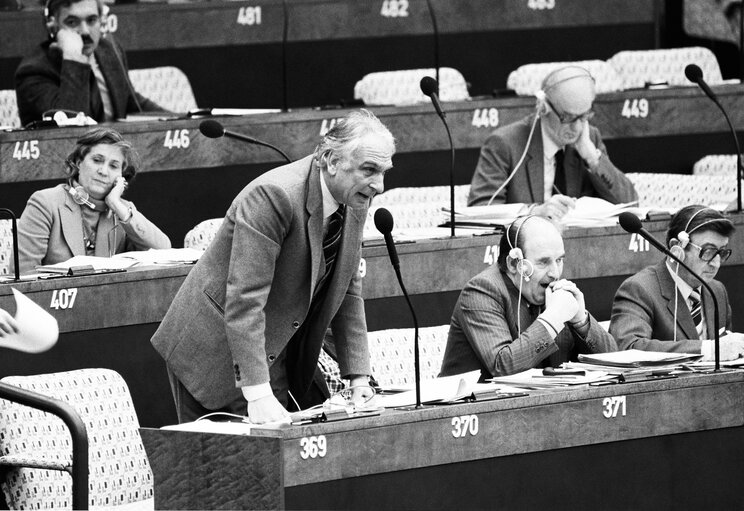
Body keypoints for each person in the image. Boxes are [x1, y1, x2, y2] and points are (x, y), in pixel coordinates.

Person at [151, 109, 396, 424]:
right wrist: (257, 393)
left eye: (385, 171)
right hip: (215, 349)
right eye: (370, 170)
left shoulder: (354, 199)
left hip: (276, 342)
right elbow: (244, 298)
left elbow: (346, 289)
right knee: (223, 465)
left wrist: (358, 376)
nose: (380, 185)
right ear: (333, 162)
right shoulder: (274, 196)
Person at [440, 215, 616, 379]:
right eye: (543, 262)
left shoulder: (554, 293)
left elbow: (615, 361)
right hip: (476, 408)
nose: (555, 273)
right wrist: (553, 318)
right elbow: (503, 366)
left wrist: (581, 321)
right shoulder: (481, 291)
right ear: (514, 263)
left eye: (559, 260)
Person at [467, 65, 638, 219]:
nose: (578, 127)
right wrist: (533, 213)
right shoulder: (504, 143)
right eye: (569, 118)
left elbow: (631, 205)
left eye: (585, 116)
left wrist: (594, 160)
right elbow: (479, 211)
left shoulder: (589, 138)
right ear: (543, 108)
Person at [14, 127, 171, 274]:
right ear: (78, 163)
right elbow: (23, 274)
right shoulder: (45, 203)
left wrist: (116, 204)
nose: (103, 171)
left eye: (113, 166)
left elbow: (164, 251)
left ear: (121, 177)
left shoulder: (123, 211)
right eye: (97, 160)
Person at [610, 206, 744, 360]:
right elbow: (628, 347)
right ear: (677, 249)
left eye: (722, 252)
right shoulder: (639, 289)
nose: (716, 263)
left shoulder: (717, 290)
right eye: (708, 251)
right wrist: (707, 350)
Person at [15, 0, 165, 126]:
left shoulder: (108, 51)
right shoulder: (33, 71)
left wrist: (183, 119)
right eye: (72, 22)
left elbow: (131, 104)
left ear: (101, 21)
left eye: (91, 20)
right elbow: (70, 127)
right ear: (53, 26)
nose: (85, 31)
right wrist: (74, 58)